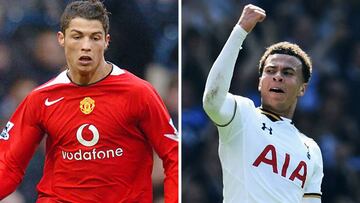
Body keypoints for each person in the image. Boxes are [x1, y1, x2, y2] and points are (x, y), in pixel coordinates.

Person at [0, 0, 178, 202]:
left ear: (106, 41)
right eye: (77, 37)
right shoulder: (41, 99)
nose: (86, 46)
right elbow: (8, 164)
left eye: (94, 37)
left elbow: (174, 155)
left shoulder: (139, 93)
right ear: (62, 39)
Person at [202, 4, 323, 203]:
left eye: (288, 73)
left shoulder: (312, 149)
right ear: (260, 82)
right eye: (270, 71)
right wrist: (240, 30)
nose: (277, 77)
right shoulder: (243, 115)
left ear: (303, 89)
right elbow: (212, 99)